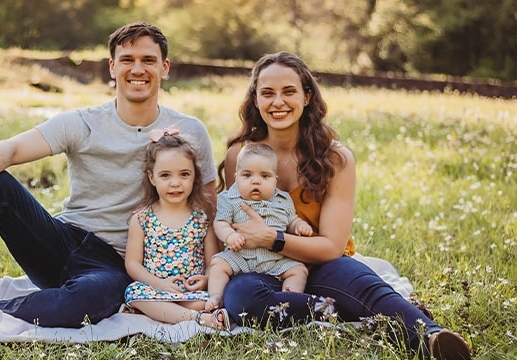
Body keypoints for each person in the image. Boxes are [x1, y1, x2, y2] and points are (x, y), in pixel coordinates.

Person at [0, 22, 217, 347]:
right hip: (63, 240)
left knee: (87, 303)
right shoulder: (83, 122)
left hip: (118, 262)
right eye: (128, 60)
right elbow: (10, 149)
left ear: (165, 67)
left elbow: (207, 207)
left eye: (148, 60)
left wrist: (206, 270)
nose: (138, 69)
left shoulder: (189, 131)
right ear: (113, 68)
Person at [217, 52, 472, 360]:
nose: (278, 102)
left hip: (322, 262)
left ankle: (431, 338)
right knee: (242, 300)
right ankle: (357, 315)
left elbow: (330, 247)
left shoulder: (335, 159)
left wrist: (274, 238)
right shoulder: (239, 154)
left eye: (289, 92)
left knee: (364, 286)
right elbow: (227, 216)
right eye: (267, 93)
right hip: (258, 265)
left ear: (307, 96)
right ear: (255, 99)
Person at [123, 131, 228, 329]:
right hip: (155, 289)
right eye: (165, 175)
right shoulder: (142, 218)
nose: (175, 183)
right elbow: (132, 264)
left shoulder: (203, 218)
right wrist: (158, 283)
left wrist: (206, 280)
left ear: (194, 176)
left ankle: (173, 313)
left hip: (191, 292)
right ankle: (198, 318)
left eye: (184, 174)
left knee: (211, 299)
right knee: (134, 292)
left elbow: (213, 262)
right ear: (151, 178)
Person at [205, 143, 312, 311]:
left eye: (265, 176)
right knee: (218, 264)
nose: (256, 181)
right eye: (247, 175)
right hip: (240, 257)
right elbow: (221, 223)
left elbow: (292, 220)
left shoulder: (282, 200)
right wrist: (230, 236)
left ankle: (290, 295)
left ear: (275, 179)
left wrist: (300, 226)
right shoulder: (229, 198)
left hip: (275, 259)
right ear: (236, 176)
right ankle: (216, 296)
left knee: (299, 270)